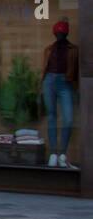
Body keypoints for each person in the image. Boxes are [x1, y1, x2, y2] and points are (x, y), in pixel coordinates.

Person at [41, 21, 79, 168]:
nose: (60, 35)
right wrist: (41, 86)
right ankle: (53, 154)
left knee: (68, 119)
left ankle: (62, 153)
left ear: (66, 33)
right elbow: (45, 68)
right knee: (51, 116)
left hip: (66, 82)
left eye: (62, 32)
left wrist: (77, 88)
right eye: (58, 32)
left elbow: (77, 71)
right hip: (49, 80)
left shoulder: (74, 50)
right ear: (54, 33)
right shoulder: (49, 49)